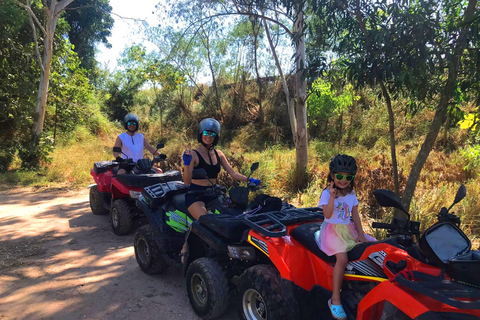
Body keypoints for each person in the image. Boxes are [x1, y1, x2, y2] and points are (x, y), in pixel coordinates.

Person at [315, 154, 375, 320]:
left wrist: (361, 234)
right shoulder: (327, 194)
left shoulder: (351, 193)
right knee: (342, 259)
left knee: (372, 246)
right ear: (332, 176)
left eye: (348, 177)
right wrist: (333, 197)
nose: (343, 180)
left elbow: (354, 214)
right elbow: (327, 215)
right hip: (332, 231)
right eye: (340, 176)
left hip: (348, 229)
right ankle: (335, 299)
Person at [182, 118, 261, 220]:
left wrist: (249, 179)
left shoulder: (219, 154)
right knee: (206, 221)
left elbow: (233, 173)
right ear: (200, 134)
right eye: (206, 133)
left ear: (216, 137)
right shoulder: (193, 154)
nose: (209, 136)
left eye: (212, 134)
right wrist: (186, 164)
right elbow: (187, 182)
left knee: (232, 216)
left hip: (214, 192)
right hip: (196, 195)